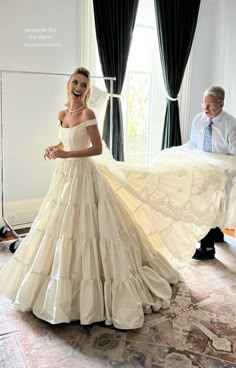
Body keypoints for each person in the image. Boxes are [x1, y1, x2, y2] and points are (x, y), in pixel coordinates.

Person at [0, 67, 179, 330]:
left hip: (84, 176)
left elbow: (95, 148)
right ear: (69, 85)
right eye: (75, 82)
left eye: (84, 85)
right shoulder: (62, 114)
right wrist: (54, 148)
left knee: (91, 230)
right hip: (64, 177)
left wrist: (67, 155)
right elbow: (66, 143)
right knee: (59, 230)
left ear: (87, 90)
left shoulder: (88, 113)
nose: (79, 88)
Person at [183, 86, 236, 260]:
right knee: (201, 203)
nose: (206, 109)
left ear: (221, 104)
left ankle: (207, 248)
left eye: (211, 106)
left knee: (212, 206)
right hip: (202, 167)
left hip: (223, 170)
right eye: (204, 104)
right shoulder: (199, 119)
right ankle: (217, 234)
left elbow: (234, 154)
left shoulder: (231, 124)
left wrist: (219, 169)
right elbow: (194, 143)